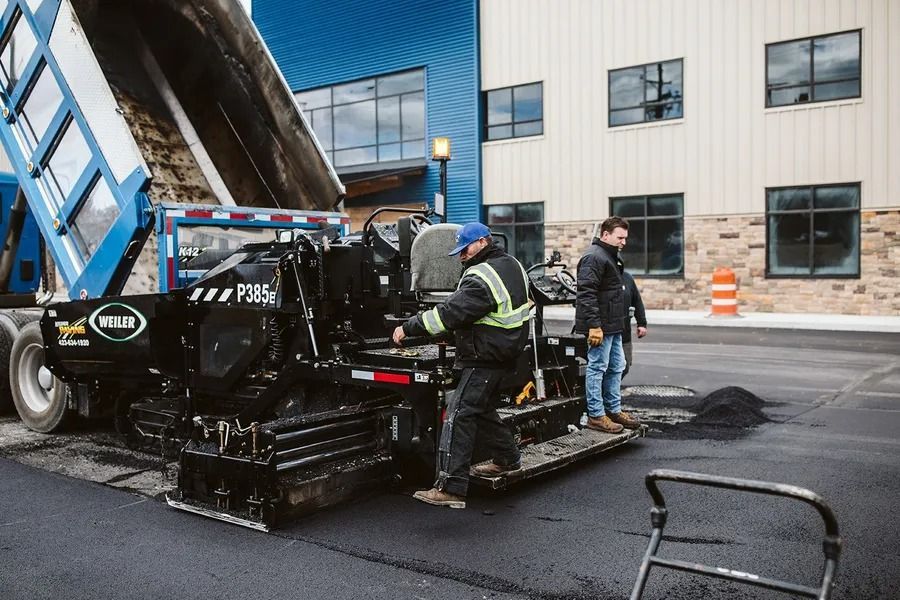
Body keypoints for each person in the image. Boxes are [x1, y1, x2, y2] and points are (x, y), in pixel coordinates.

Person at [392, 222, 530, 509]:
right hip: (506, 352)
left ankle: (451, 487)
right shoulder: (512, 264)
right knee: (481, 410)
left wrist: (409, 327)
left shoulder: (481, 275)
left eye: (464, 249)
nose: (461, 256)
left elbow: (450, 313)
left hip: (485, 356)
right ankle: (508, 459)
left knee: (458, 413)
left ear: (481, 242)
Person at [574, 216, 641, 434]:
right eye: (620, 237)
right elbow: (586, 293)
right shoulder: (594, 257)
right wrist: (594, 326)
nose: (624, 242)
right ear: (605, 235)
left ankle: (613, 410)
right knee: (597, 368)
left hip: (613, 327)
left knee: (616, 367)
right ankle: (596, 415)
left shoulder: (609, 257)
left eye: (625, 238)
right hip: (600, 327)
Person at [621, 270, 648, 379]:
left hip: (624, 333)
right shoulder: (603, 277)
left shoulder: (627, 278)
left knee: (625, 365)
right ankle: (606, 393)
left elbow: (636, 300)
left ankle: (610, 391)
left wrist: (641, 323)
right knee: (608, 366)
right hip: (607, 332)